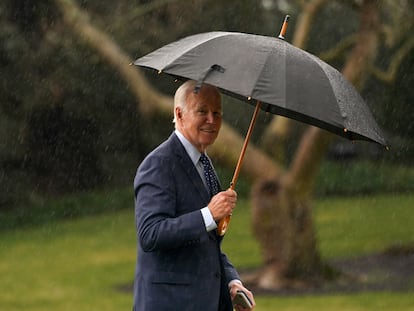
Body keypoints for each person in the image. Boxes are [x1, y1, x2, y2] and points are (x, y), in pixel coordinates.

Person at [132, 80, 255, 311]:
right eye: (202, 111)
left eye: (217, 113)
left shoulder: (204, 164)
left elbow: (208, 244)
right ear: (179, 114)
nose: (212, 120)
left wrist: (232, 281)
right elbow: (151, 234)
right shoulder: (159, 164)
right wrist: (208, 214)